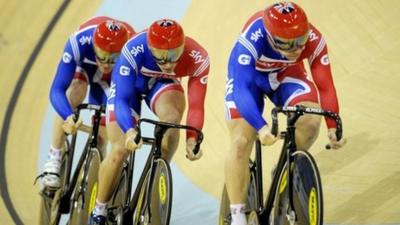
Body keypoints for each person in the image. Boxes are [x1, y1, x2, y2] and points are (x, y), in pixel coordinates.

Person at [223, 2, 346, 225]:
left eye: (300, 41)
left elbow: (326, 86)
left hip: (285, 74)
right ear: (271, 36)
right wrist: (260, 127)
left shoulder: (314, 39)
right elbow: (241, 88)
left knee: (309, 120)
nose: (297, 49)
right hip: (249, 79)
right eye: (287, 44)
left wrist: (332, 125)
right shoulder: (253, 37)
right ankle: (237, 214)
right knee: (241, 141)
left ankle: (284, 170)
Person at [88, 19, 210, 225]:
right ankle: (98, 210)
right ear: (150, 47)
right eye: (162, 56)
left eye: (174, 55)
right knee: (119, 150)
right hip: (129, 87)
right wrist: (129, 131)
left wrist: (192, 138)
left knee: (172, 121)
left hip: (161, 84)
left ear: (183, 46)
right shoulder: (133, 49)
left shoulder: (197, 57)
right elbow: (121, 100)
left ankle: (158, 171)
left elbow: (196, 105)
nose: (169, 62)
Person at [40, 16, 135, 190]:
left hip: (112, 78)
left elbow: (126, 94)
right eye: (102, 56)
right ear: (94, 45)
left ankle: (96, 175)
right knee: (75, 92)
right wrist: (68, 115)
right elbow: (57, 90)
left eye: (112, 57)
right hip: (84, 69)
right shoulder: (78, 42)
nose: (106, 63)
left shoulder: (132, 48)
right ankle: (54, 156)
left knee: (104, 133)